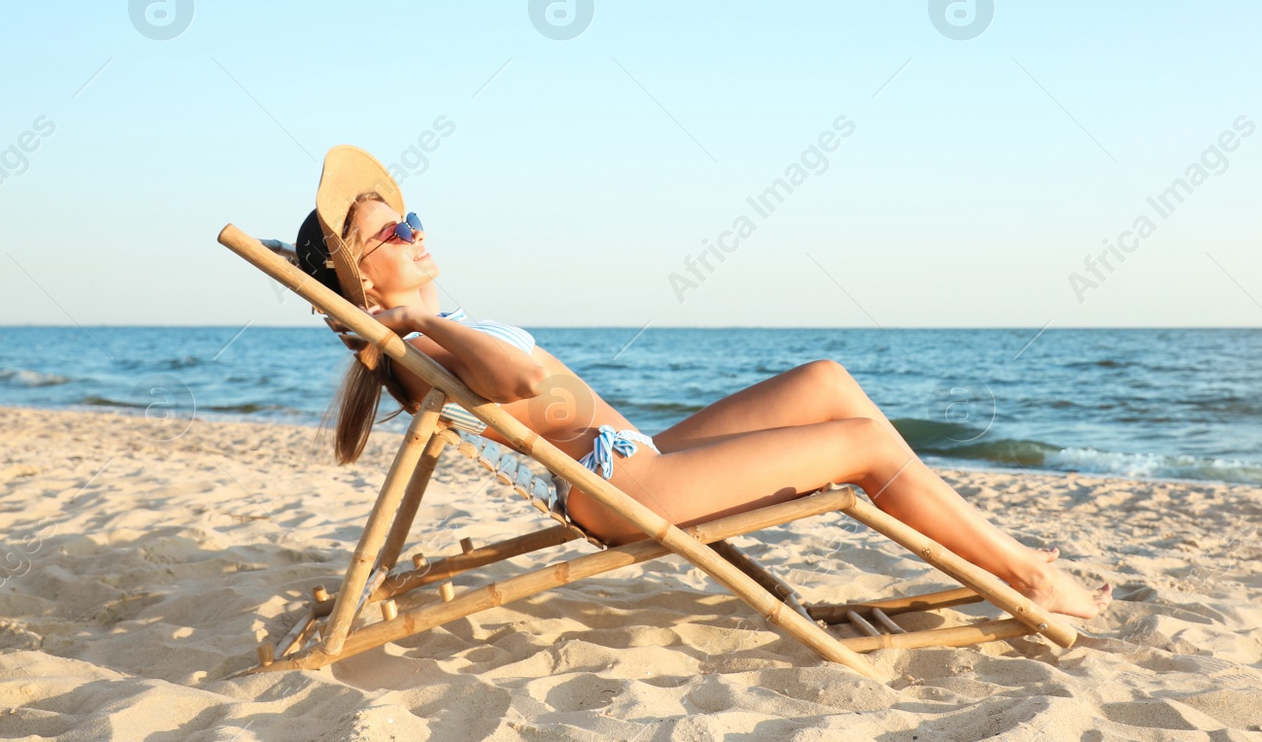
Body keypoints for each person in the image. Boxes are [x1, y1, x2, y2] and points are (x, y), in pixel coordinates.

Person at [296, 146, 1112, 619]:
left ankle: (988, 550)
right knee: (860, 446)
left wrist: (429, 320)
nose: (416, 231)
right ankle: (1025, 572)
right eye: (393, 232)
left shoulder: (441, 325)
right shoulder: (421, 346)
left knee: (826, 380)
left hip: (629, 454)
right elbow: (519, 379)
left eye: (412, 218)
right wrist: (420, 326)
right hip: (618, 484)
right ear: (365, 279)